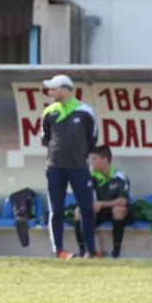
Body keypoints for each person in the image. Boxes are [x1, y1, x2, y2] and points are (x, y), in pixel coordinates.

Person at [41, 74, 98, 259]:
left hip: (79, 168)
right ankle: (59, 251)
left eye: (54, 89)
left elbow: (93, 138)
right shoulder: (49, 112)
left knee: (87, 208)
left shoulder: (85, 111)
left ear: (65, 89)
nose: (50, 92)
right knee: (56, 211)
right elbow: (46, 138)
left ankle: (90, 250)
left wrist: (79, 155)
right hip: (55, 168)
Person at [73, 145, 131, 258]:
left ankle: (116, 252)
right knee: (79, 211)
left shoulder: (120, 176)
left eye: (94, 159)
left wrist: (102, 204)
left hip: (114, 209)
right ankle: (84, 250)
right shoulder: (91, 175)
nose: (92, 162)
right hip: (98, 210)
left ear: (105, 160)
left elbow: (122, 201)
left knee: (118, 210)